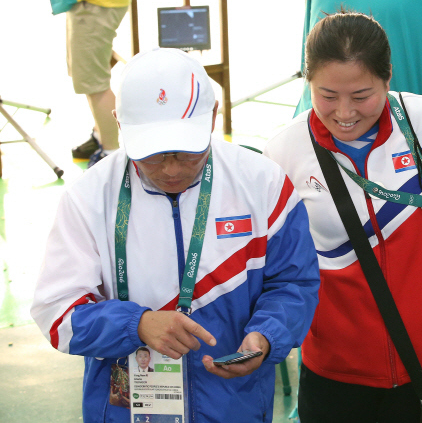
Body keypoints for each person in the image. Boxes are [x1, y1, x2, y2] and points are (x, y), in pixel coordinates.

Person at [31, 48, 320, 423]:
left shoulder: (263, 184)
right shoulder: (88, 198)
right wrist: (135, 325)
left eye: (187, 153)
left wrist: (265, 337)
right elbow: (55, 313)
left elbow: (294, 282)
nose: (170, 169)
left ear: (214, 116)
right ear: (119, 123)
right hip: (128, 412)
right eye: (151, 155)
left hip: (235, 406)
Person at [263, 10, 422, 422]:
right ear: (307, 82)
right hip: (336, 372)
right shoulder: (282, 153)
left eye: (362, 95)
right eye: (327, 95)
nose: (344, 112)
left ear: (388, 79)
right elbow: (268, 258)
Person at [47, 0, 135, 167]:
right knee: (87, 77)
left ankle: (110, 156)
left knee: (94, 82)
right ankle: (100, 136)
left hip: (96, 0)